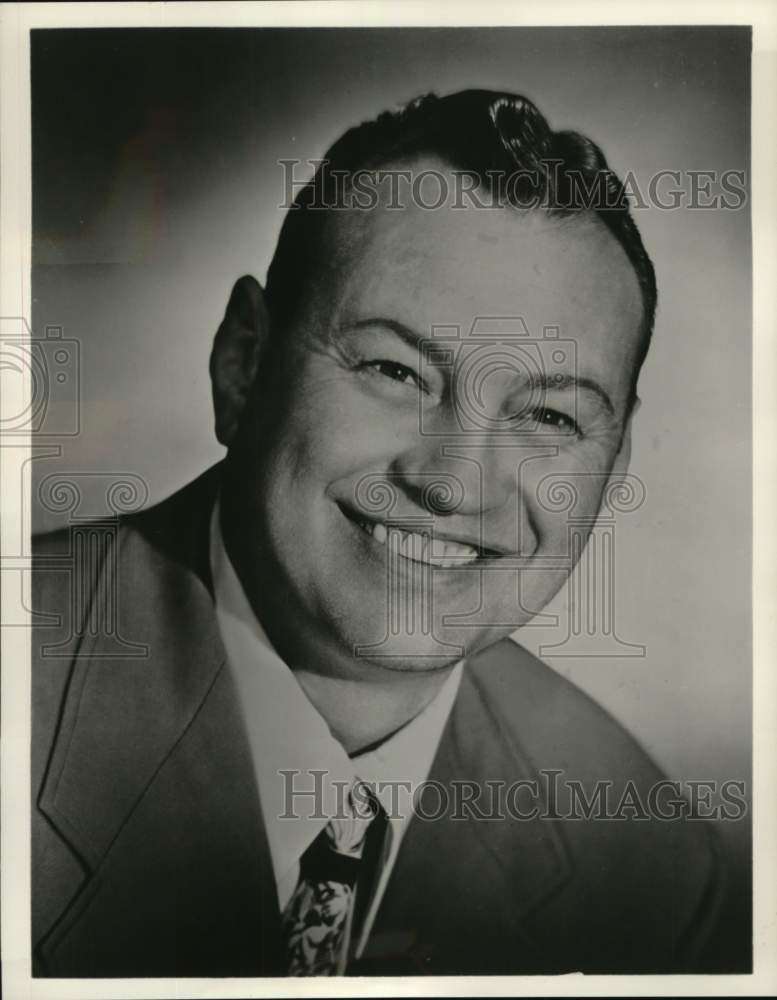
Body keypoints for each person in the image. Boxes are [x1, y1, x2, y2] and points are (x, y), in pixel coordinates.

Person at [31, 89, 749, 977]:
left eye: (552, 418)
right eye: (392, 369)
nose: (452, 484)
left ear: (615, 459)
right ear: (243, 365)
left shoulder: (650, 875)